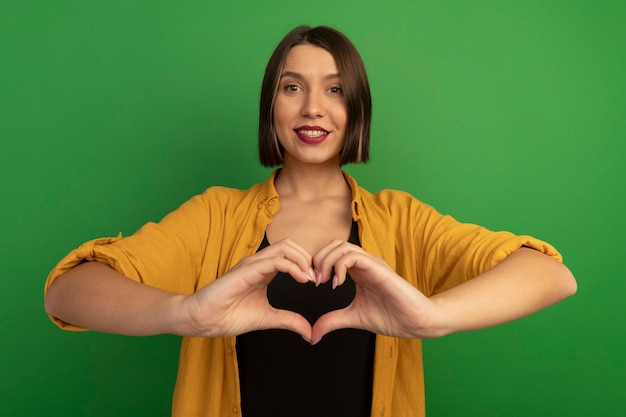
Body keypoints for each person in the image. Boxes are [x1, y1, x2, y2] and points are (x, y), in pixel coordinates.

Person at [44, 25, 577, 417]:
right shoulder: (214, 216)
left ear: (358, 107)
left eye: (335, 88)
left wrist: (430, 317)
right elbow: (67, 291)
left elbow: (551, 275)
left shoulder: (402, 220)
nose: (313, 109)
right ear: (270, 105)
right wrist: (189, 314)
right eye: (292, 87)